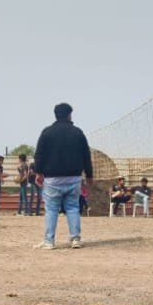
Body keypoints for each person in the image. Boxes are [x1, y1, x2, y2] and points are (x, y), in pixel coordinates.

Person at [33, 102, 93, 250]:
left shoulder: (47, 132)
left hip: (53, 179)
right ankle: (75, 239)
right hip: (74, 177)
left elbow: (39, 155)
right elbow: (86, 155)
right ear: (69, 115)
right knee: (72, 208)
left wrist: (39, 172)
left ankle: (49, 241)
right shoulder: (77, 132)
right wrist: (89, 175)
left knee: (51, 209)